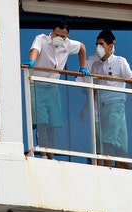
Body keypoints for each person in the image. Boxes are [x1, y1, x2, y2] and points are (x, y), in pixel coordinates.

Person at [23, 20, 90, 155]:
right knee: (42, 122)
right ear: (52, 32)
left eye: (63, 36)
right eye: (58, 35)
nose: (60, 38)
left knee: (53, 123)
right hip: (36, 85)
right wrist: (32, 61)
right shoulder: (42, 39)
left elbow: (82, 47)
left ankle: (51, 154)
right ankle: (42, 152)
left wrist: (82, 66)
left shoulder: (68, 44)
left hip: (53, 88)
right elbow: (35, 50)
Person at [80, 30, 132, 168]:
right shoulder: (96, 65)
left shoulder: (120, 62)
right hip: (102, 107)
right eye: (97, 44)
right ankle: (127, 169)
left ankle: (107, 169)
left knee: (108, 140)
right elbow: (94, 90)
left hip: (116, 105)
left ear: (110, 46)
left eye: (101, 44)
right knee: (114, 142)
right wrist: (86, 108)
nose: (98, 47)